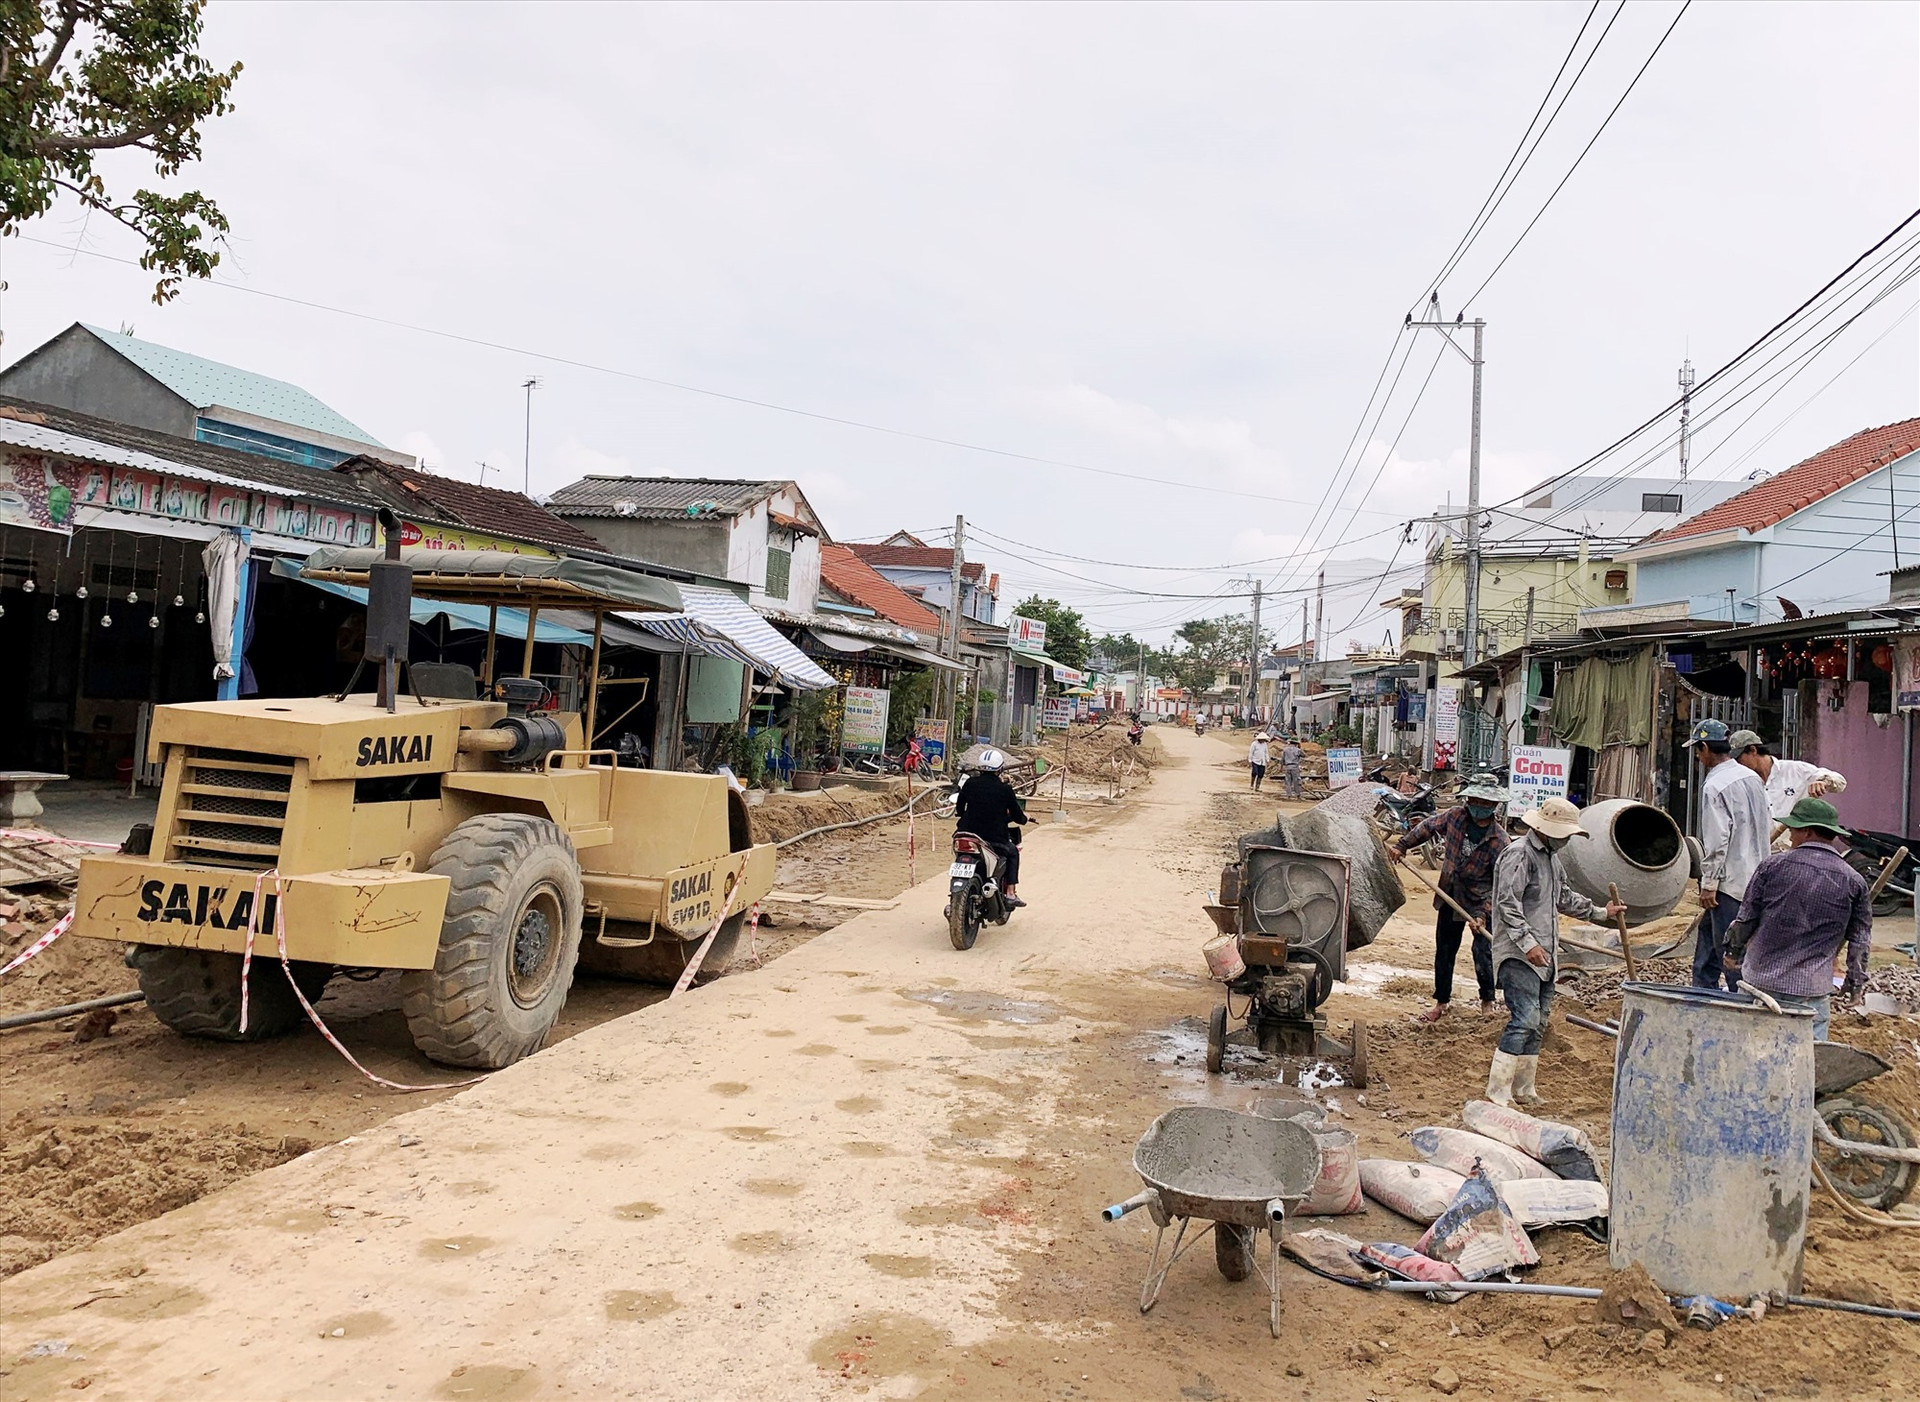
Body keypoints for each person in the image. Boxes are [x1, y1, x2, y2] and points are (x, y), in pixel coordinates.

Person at [1486, 797, 1626, 1107]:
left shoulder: (1551, 858)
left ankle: (1524, 1089)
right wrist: (1529, 944)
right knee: (1525, 1017)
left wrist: (1602, 913)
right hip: (1519, 953)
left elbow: (1564, 898)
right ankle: (1498, 1091)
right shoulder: (1519, 856)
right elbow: (1508, 905)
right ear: (1547, 830)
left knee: (1538, 1021)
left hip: (1545, 954)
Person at [1724, 798, 1871, 1040]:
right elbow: (1860, 941)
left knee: (1752, 1056)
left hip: (1760, 985)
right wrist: (1854, 984)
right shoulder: (1853, 881)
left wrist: (1732, 953)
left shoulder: (1771, 867)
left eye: (1793, 830)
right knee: (1806, 1063)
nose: (1790, 837)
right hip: (1809, 994)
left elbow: (1746, 918)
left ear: (1807, 832)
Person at [1390, 773, 1511, 1023]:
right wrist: (1402, 845)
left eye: (1485, 803)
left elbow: (1500, 885)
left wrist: (1482, 914)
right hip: (1450, 892)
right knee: (1445, 950)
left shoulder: (1500, 841)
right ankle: (1441, 1002)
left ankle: (1488, 1001)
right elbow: (1427, 827)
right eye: (1475, 800)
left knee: (1483, 951)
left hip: (1480, 900)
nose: (1479, 806)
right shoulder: (1455, 817)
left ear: (1494, 806)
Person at [1690, 718, 1773, 992]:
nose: (1698, 758)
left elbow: (1717, 840)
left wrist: (1709, 884)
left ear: (1704, 747)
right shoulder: (1751, 777)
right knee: (1708, 941)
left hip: (1731, 885)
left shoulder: (1714, 786)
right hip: (1757, 878)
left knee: (1731, 951)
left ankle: (1739, 1002)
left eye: (1698, 751)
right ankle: (1702, 993)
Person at [954, 748, 1029, 908]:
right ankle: (1010, 893)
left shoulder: (969, 784)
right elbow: (1018, 816)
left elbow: (959, 809)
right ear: (1000, 769)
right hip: (994, 838)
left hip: (966, 834)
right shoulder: (1005, 789)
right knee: (1013, 852)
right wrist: (1024, 819)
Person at [1727, 729, 1848, 827]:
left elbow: (1840, 782)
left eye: (1739, 759)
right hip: (1765, 850)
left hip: (1795, 847)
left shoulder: (1795, 770)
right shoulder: (1744, 783)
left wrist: (1823, 782)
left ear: (1753, 750)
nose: (1738, 764)